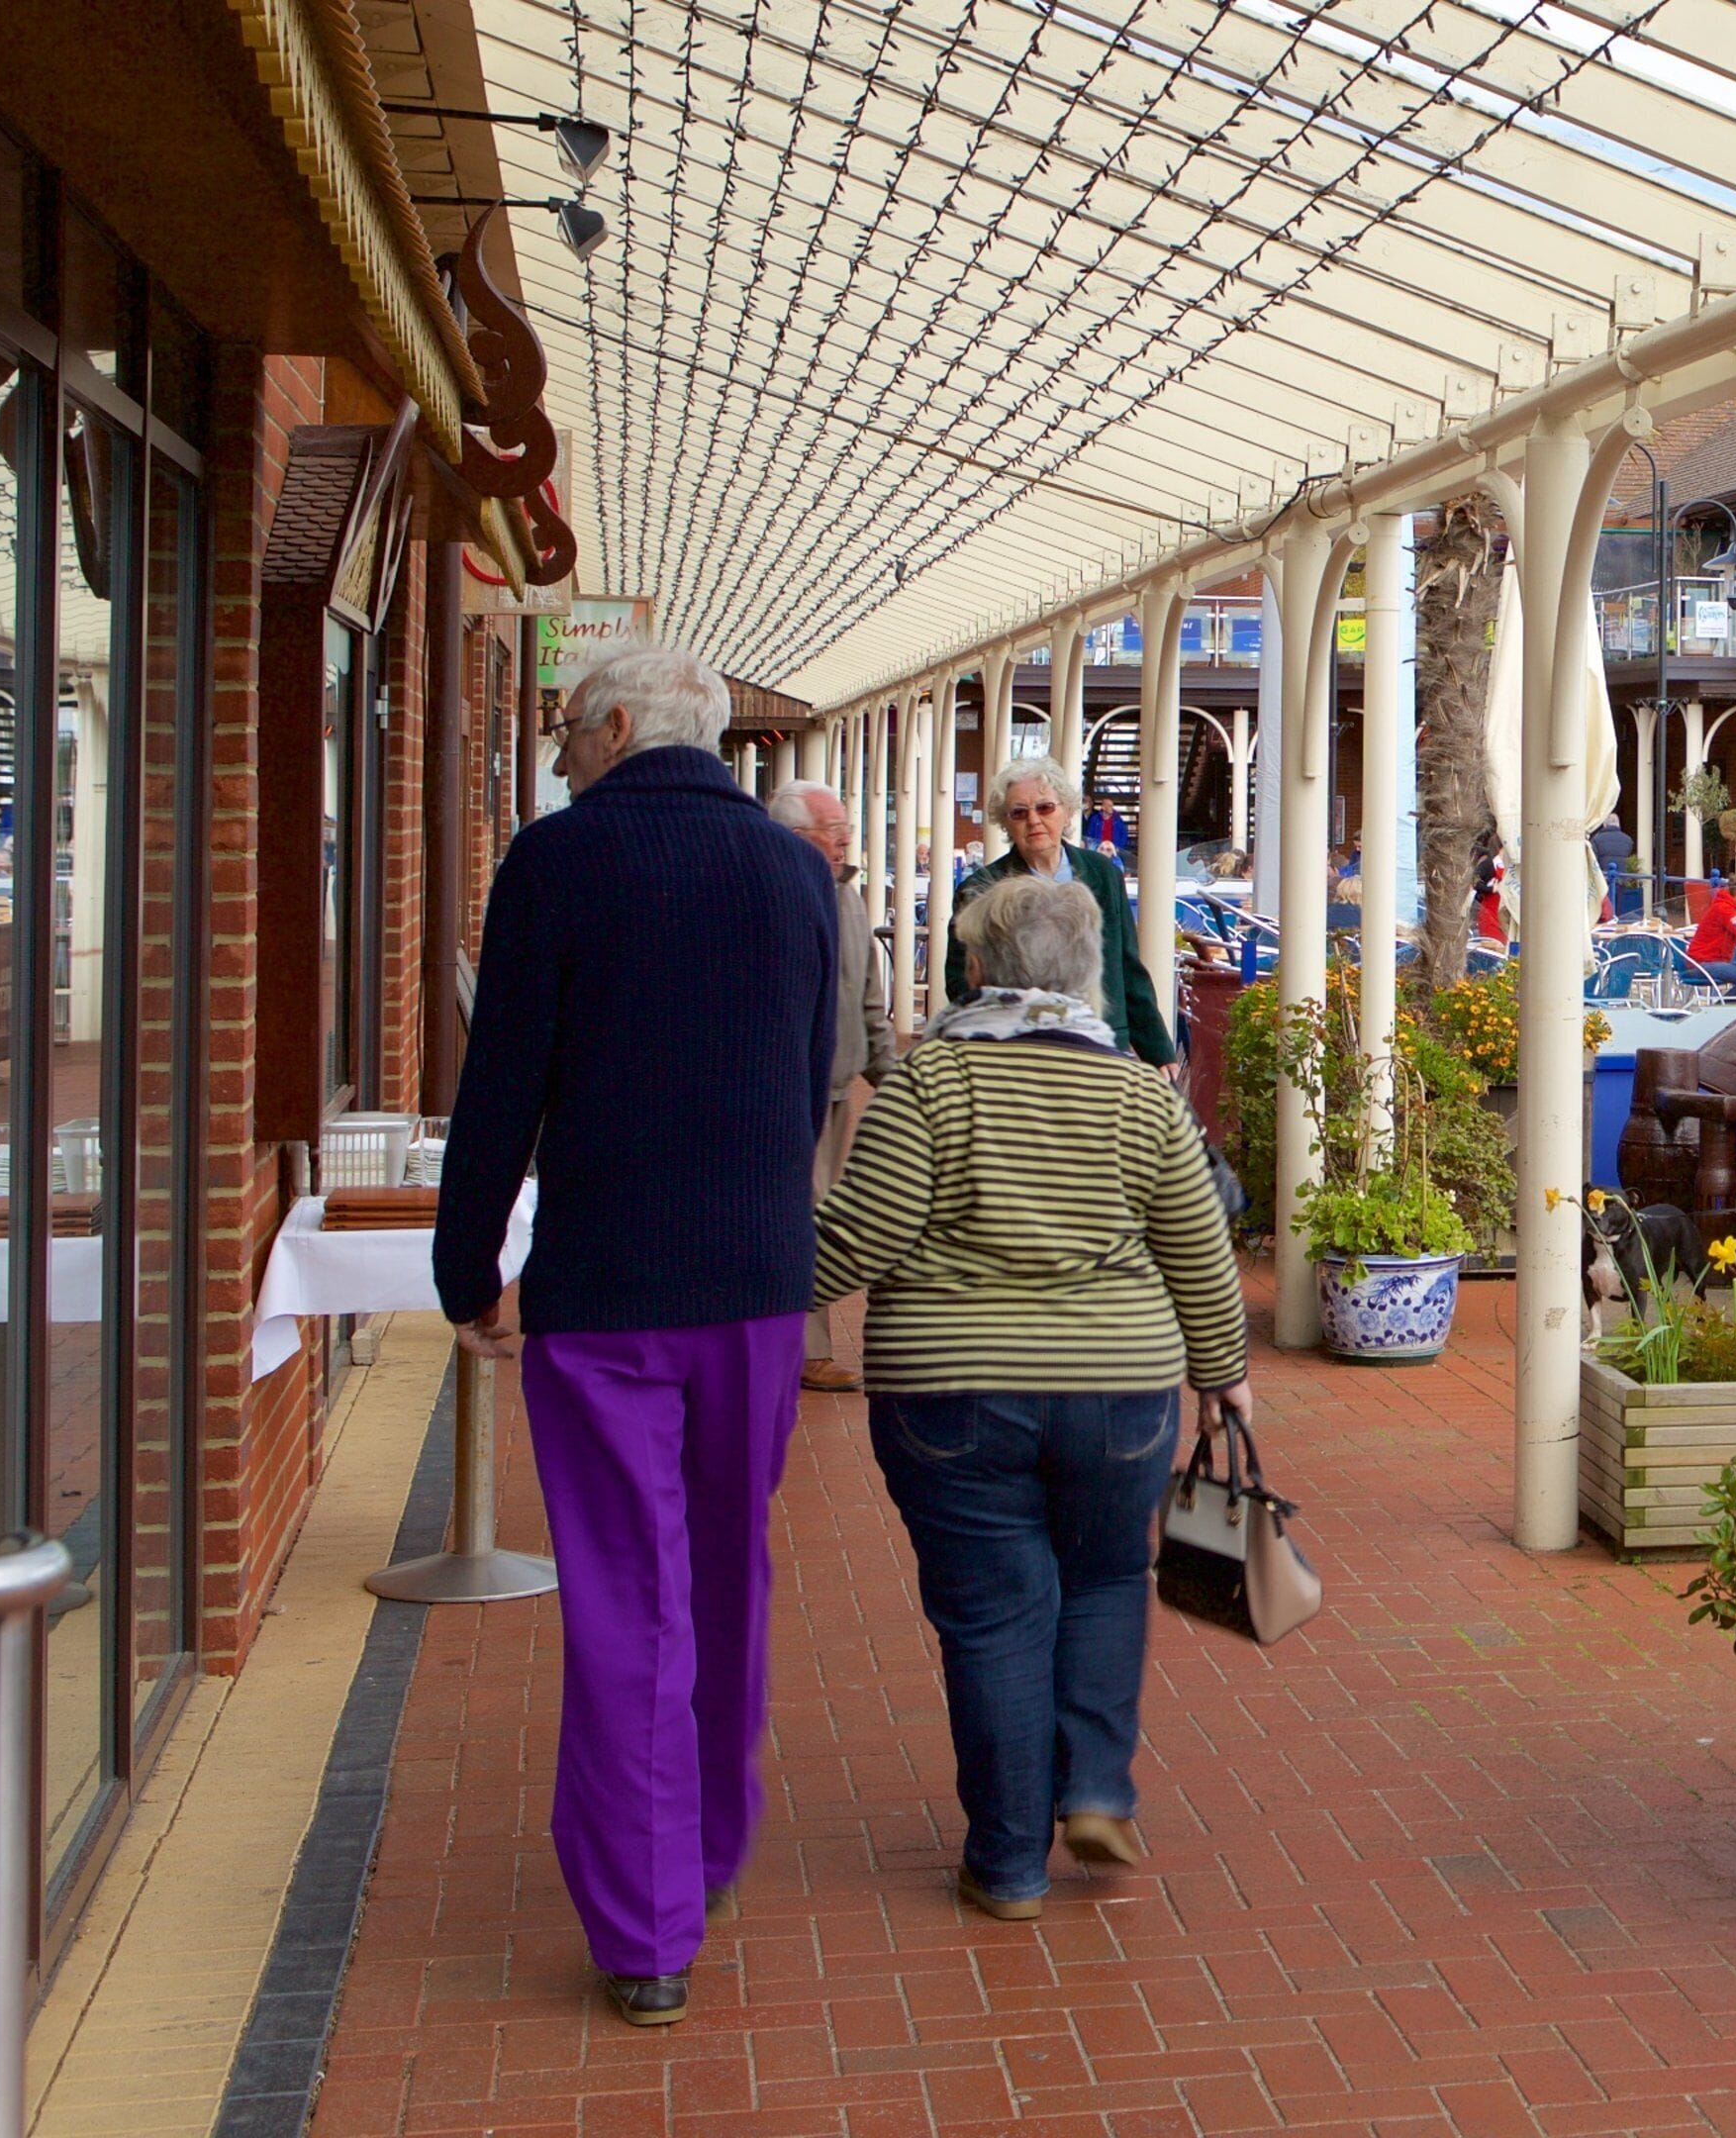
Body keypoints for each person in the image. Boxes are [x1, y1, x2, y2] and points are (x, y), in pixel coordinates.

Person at [433, 642, 838, 2028]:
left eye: (561, 730)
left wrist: (466, 1264)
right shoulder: (795, 873)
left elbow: (501, 1088)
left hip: (606, 1291)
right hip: (757, 1288)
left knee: (625, 1595)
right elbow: (803, 1077)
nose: (552, 755)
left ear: (614, 730)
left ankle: (649, 1923)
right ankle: (709, 1844)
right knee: (727, 1573)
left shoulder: (557, 862)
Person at [815, 876, 1247, 1924]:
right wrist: (1223, 1378)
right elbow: (1200, 1250)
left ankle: (1008, 1862)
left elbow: (856, 1243)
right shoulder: (1141, 1096)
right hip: (1121, 1391)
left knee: (996, 1617)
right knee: (1105, 1580)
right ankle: (1095, 1786)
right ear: (1086, 972)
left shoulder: (932, 1086)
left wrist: (736, 1284)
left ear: (977, 969)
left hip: (953, 1393)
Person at [765, 780, 900, 1395]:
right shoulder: (766, 893)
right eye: (834, 832)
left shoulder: (849, 897)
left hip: (840, 1083)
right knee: (809, 1212)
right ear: (795, 838)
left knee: (815, 1209)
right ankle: (803, 1349)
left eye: (846, 830)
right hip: (786, 1087)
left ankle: (789, 1340)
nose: (846, 841)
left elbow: (868, 995)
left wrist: (895, 1080)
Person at [945, 762, 1179, 1073]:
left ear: (1067, 811)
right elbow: (960, 981)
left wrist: (1159, 1052)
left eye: (1045, 808)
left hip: (1101, 1046)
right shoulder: (980, 890)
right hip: (1018, 1056)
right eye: (1019, 812)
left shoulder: (1104, 874)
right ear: (1005, 823)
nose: (1034, 820)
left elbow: (1128, 966)